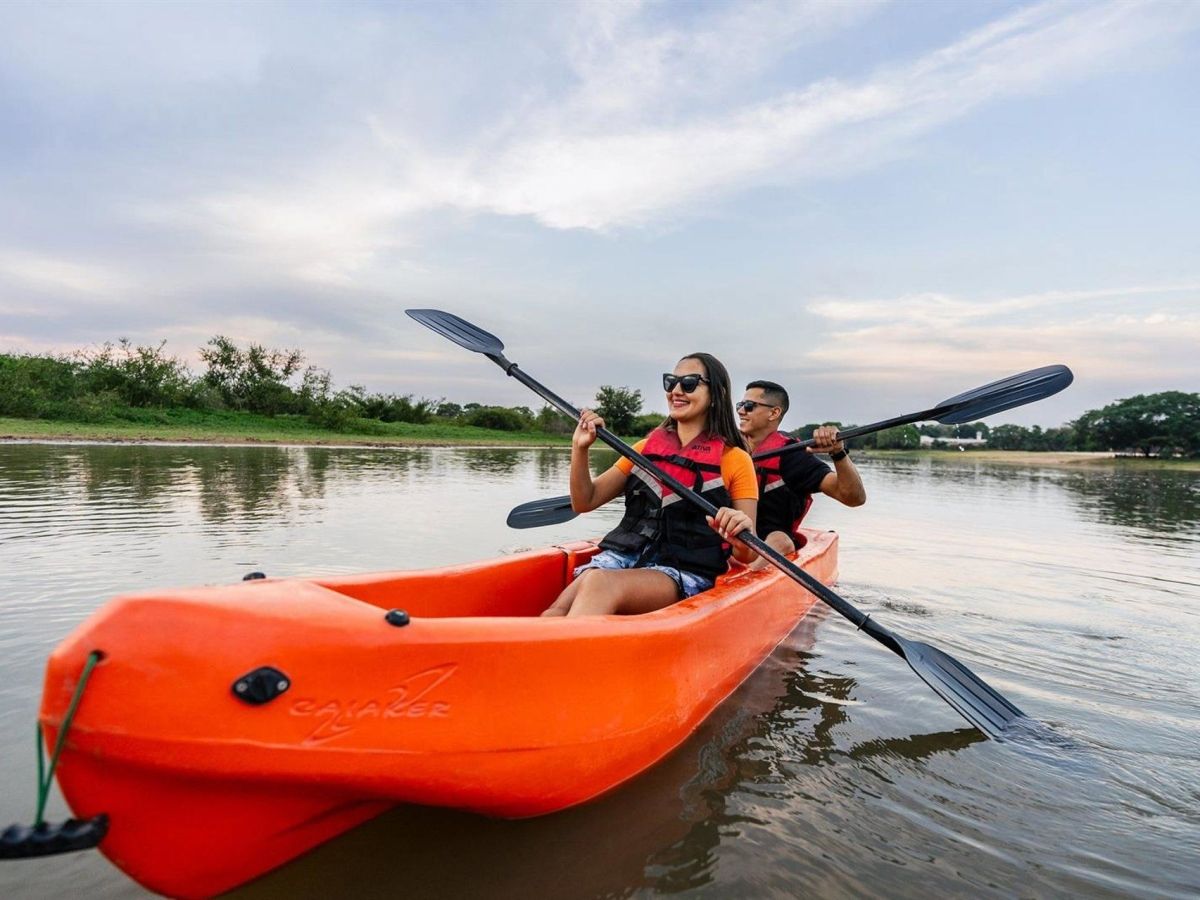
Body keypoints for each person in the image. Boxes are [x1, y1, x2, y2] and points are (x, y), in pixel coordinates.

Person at [542, 353, 758, 617]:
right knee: (556, 610)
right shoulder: (644, 450)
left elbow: (748, 554)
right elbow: (585, 501)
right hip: (625, 557)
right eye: (671, 382)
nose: (676, 390)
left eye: (689, 383)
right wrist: (580, 448)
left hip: (683, 571)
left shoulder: (735, 460)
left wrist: (738, 530)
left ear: (716, 394)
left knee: (599, 583)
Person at [736, 380, 866, 560]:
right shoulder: (728, 447)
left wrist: (838, 453)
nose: (741, 411)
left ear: (774, 413)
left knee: (780, 539)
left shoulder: (792, 456)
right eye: (740, 405)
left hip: (768, 547)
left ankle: (748, 574)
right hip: (731, 540)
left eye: (749, 406)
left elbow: (854, 498)